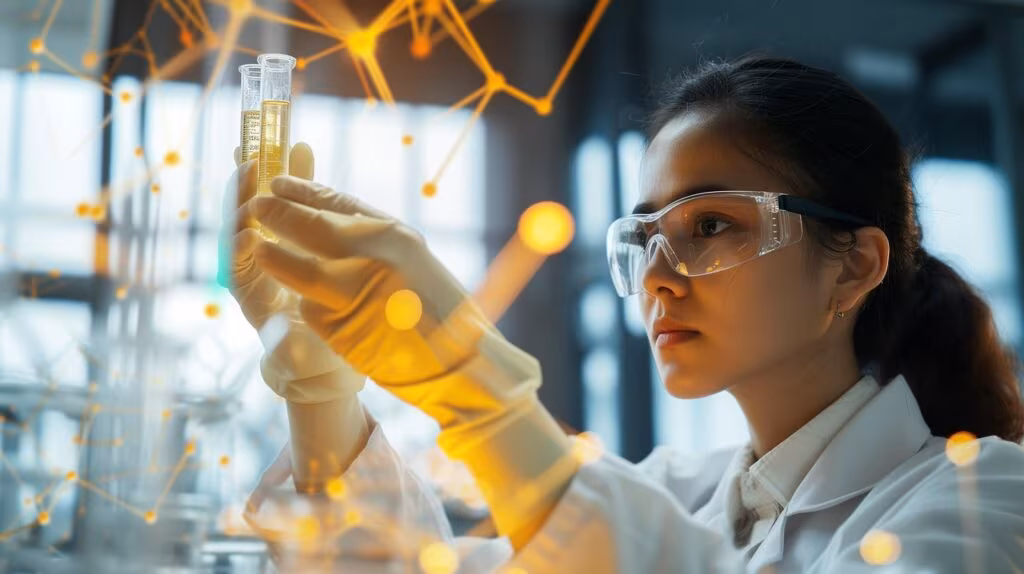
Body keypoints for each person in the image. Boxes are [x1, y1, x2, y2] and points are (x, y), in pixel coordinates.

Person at [224, 56, 1024, 573]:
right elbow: (408, 565)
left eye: (710, 226)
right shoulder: (672, 490)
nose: (659, 280)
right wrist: (321, 390)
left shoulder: (988, 497)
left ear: (855, 265)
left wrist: (479, 388)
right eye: (644, 238)